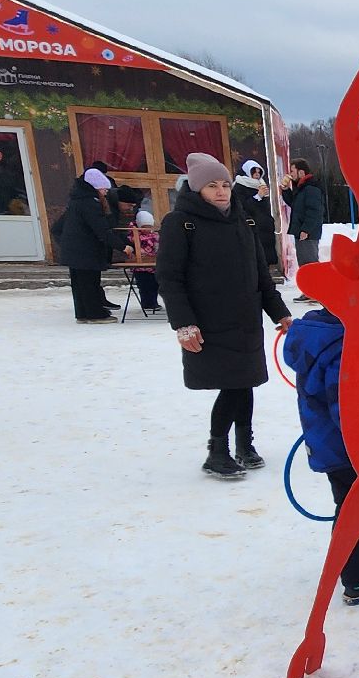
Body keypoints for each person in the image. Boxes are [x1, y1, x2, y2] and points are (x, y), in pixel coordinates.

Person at [157, 152, 292, 479]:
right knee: (233, 385)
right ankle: (217, 451)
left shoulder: (243, 220)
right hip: (209, 324)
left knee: (244, 383)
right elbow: (169, 277)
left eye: (225, 185)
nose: (220, 191)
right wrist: (184, 324)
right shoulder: (181, 223)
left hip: (245, 321)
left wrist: (280, 313)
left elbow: (260, 274)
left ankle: (244, 445)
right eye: (211, 185)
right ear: (196, 188)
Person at [283, 275, 359, 605]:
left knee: (358, 498)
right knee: (352, 507)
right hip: (346, 444)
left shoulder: (320, 330)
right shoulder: (342, 345)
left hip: (329, 439)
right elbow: (346, 406)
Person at [57, 168, 127, 323]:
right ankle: (95, 314)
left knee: (80, 283)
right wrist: (122, 246)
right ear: (95, 187)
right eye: (104, 189)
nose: (105, 193)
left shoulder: (77, 201)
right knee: (89, 282)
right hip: (85, 250)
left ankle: (82, 313)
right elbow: (101, 229)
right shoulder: (90, 203)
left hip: (75, 250)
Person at [282, 159, 327, 300]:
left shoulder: (311, 188)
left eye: (292, 171)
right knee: (305, 263)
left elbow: (314, 211)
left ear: (301, 172)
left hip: (308, 233)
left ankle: (317, 292)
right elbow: (295, 205)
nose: (290, 174)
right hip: (301, 231)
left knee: (310, 263)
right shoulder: (301, 187)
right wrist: (285, 190)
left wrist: (306, 229)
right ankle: (310, 291)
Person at [114, 187, 162, 314]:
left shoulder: (155, 236)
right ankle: (147, 303)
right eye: (145, 227)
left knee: (155, 285)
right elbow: (131, 245)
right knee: (144, 286)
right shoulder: (134, 235)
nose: (147, 229)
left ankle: (154, 302)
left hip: (153, 266)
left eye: (149, 227)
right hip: (140, 267)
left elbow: (158, 246)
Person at [234, 160, 278, 277]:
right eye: (254, 172)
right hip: (251, 226)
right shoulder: (240, 186)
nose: (257, 174)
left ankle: (268, 272)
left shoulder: (261, 184)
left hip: (265, 226)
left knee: (266, 253)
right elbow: (241, 207)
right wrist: (257, 197)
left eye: (259, 172)